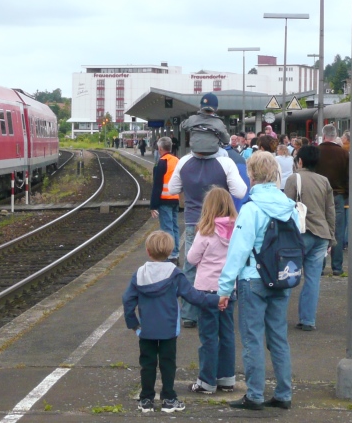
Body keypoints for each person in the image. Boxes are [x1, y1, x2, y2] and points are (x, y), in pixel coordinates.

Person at [217, 152, 295, 411]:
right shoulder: (288, 206)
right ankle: (284, 394)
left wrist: (225, 288)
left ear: (250, 175)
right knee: (278, 338)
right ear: (274, 175)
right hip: (281, 277)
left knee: (252, 338)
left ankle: (255, 395)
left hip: (253, 280)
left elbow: (237, 251)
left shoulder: (251, 209)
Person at [123, 231, 220, 413]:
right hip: (169, 329)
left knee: (148, 363)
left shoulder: (139, 274)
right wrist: (217, 300)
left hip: (146, 330)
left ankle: (146, 399)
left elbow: (127, 299)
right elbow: (194, 297)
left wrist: (133, 323)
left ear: (147, 251)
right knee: (168, 362)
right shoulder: (175, 274)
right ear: (169, 251)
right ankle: (168, 398)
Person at [168, 136, 248, 328]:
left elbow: (172, 188)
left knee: (190, 265)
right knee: (223, 263)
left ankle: (189, 314)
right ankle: (224, 303)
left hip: (193, 220)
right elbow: (240, 191)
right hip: (222, 221)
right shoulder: (226, 162)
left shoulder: (184, 162)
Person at [186, 187, 238, 395]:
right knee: (227, 334)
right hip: (229, 289)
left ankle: (207, 381)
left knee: (208, 336)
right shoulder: (237, 230)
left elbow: (191, 258)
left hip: (207, 291)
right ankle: (226, 378)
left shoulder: (206, 231)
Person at [282, 145, 335, 331]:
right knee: (313, 279)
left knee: (287, 277)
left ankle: (279, 318)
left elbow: (286, 208)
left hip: (299, 235)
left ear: (300, 161)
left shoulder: (293, 179)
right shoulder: (324, 181)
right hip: (321, 235)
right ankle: (307, 320)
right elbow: (330, 211)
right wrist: (332, 238)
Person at [318, 124, 350, 275]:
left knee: (319, 230)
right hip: (338, 195)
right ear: (335, 136)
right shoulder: (344, 154)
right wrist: (346, 194)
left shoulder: (315, 152)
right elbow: (350, 177)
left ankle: (320, 266)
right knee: (337, 231)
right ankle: (337, 267)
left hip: (318, 196)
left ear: (323, 136)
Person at [151, 137, 181, 262]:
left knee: (167, 228)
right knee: (175, 227)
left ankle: (171, 255)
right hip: (175, 199)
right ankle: (176, 253)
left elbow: (157, 185)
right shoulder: (177, 160)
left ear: (160, 148)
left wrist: (153, 205)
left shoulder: (162, 162)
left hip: (164, 200)